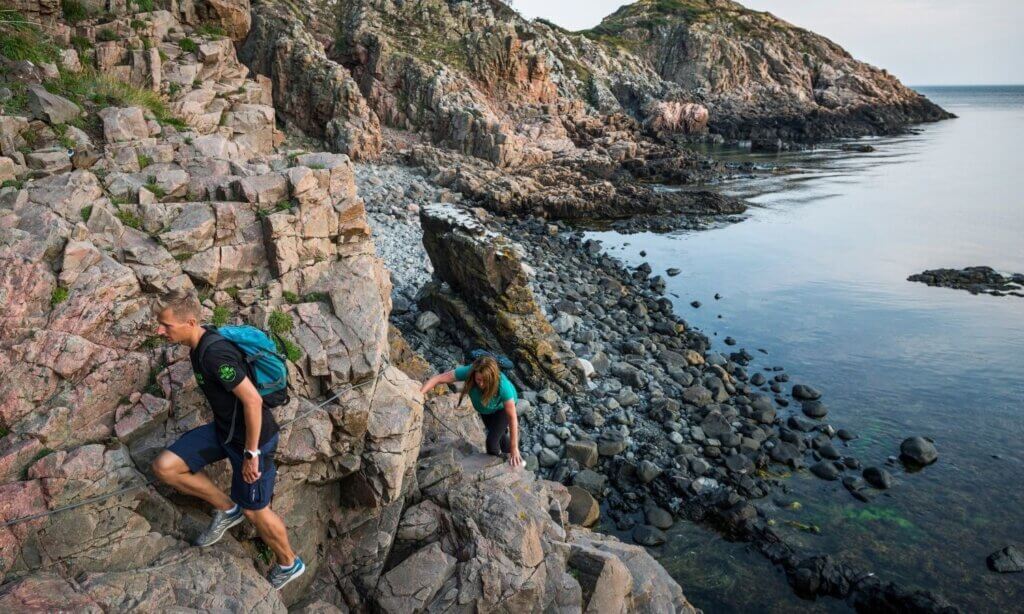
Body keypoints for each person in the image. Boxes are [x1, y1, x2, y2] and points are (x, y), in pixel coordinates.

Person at [150, 293, 304, 590]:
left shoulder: (214, 354)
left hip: (251, 440)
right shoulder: (196, 344)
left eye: (166, 325)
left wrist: (252, 453)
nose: (160, 331)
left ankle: (289, 563)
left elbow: (253, 401)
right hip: (224, 432)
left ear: (191, 322)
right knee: (165, 467)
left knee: (255, 510)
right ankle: (226, 508)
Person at [419, 355, 523, 467]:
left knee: (491, 443)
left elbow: (512, 418)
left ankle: (505, 462)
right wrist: (419, 394)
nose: (481, 384)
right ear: (474, 375)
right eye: (478, 379)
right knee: (499, 434)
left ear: (492, 378)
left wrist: (515, 448)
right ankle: (514, 459)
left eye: (485, 380)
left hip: (501, 409)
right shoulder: (468, 372)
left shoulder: (503, 386)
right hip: (485, 410)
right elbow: (438, 378)